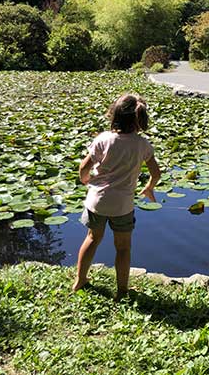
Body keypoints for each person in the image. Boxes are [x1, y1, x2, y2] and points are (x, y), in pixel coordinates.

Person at [72, 94, 161, 299]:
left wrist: (85, 179)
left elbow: (83, 167)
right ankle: (122, 291)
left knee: (92, 238)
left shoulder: (103, 139)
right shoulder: (142, 145)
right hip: (122, 206)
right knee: (123, 247)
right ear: (140, 120)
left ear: (115, 116)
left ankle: (80, 280)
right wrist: (149, 187)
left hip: (97, 202)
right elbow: (156, 173)